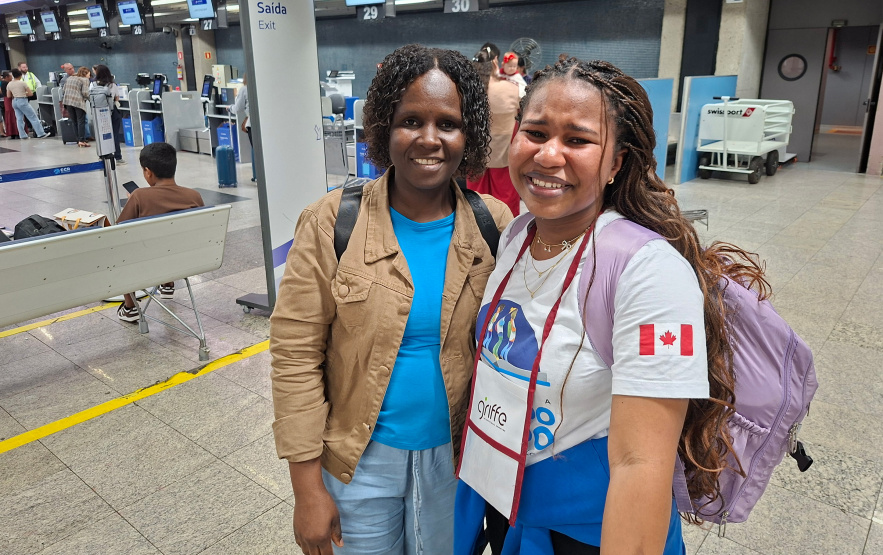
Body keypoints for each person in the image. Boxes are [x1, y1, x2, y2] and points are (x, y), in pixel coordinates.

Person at [454, 58, 767, 555]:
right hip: (504, 502)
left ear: (617, 162)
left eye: (577, 140)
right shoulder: (516, 233)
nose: (548, 155)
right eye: (535, 132)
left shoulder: (648, 272)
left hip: (586, 533)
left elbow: (639, 465)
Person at [269, 44, 512, 555]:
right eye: (410, 121)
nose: (429, 139)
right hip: (358, 464)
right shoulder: (332, 223)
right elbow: (295, 355)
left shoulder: (494, 225)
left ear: (469, 136)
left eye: (448, 123)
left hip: (456, 461)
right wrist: (306, 490)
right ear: (383, 127)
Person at [115, 143, 204, 323]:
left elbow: (119, 232)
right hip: (188, 261)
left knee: (121, 251)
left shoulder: (140, 195)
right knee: (171, 241)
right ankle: (168, 285)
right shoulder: (194, 196)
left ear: (148, 172)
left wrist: (132, 200)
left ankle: (130, 307)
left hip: (150, 264)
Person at [466, 48, 522, 216]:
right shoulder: (511, 88)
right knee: (505, 195)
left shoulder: (468, 89)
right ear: (496, 62)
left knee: (475, 197)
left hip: (475, 151)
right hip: (503, 150)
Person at [91, 65, 126, 164]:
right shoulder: (112, 85)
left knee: (101, 135)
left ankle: (102, 156)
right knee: (114, 134)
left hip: (99, 112)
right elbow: (117, 98)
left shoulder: (93, 84)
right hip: (112, 111)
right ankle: (118, 157)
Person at [6, 68, 49, 139]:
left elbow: (8, 96)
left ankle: (22, 135)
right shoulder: (22, 83)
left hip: (14, 102)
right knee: (33, 117)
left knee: (19, 119)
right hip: (22, 101)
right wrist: (23, 93)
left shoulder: (9, 84)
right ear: (20, 75)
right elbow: (30, 94)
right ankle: (41, 133)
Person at [62, 67, 91, 147]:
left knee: (74, 121)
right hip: (78, 103)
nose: (89, 76)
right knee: (81, 121)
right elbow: (85, 93)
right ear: (85, 74)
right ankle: (82, 140)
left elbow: (63, 89)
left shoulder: (70, 78)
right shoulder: (84, 80)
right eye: (89, 74)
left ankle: (78, 139)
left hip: (68, 102)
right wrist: (91, 100)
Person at [229, 73, 252, 147]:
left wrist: (230, 108)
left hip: (251, 123)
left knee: (256, 147)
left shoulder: (244, 89)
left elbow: (238, 108)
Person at [0, 71, 19, 139]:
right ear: (7, 77)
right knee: (13, 115)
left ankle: (12, 132)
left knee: (9, 115)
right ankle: (16, 131)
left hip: (7, 100)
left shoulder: (3, 83)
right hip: (10, 100)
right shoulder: (7, 83)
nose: (12, 77)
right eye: (11, 76)